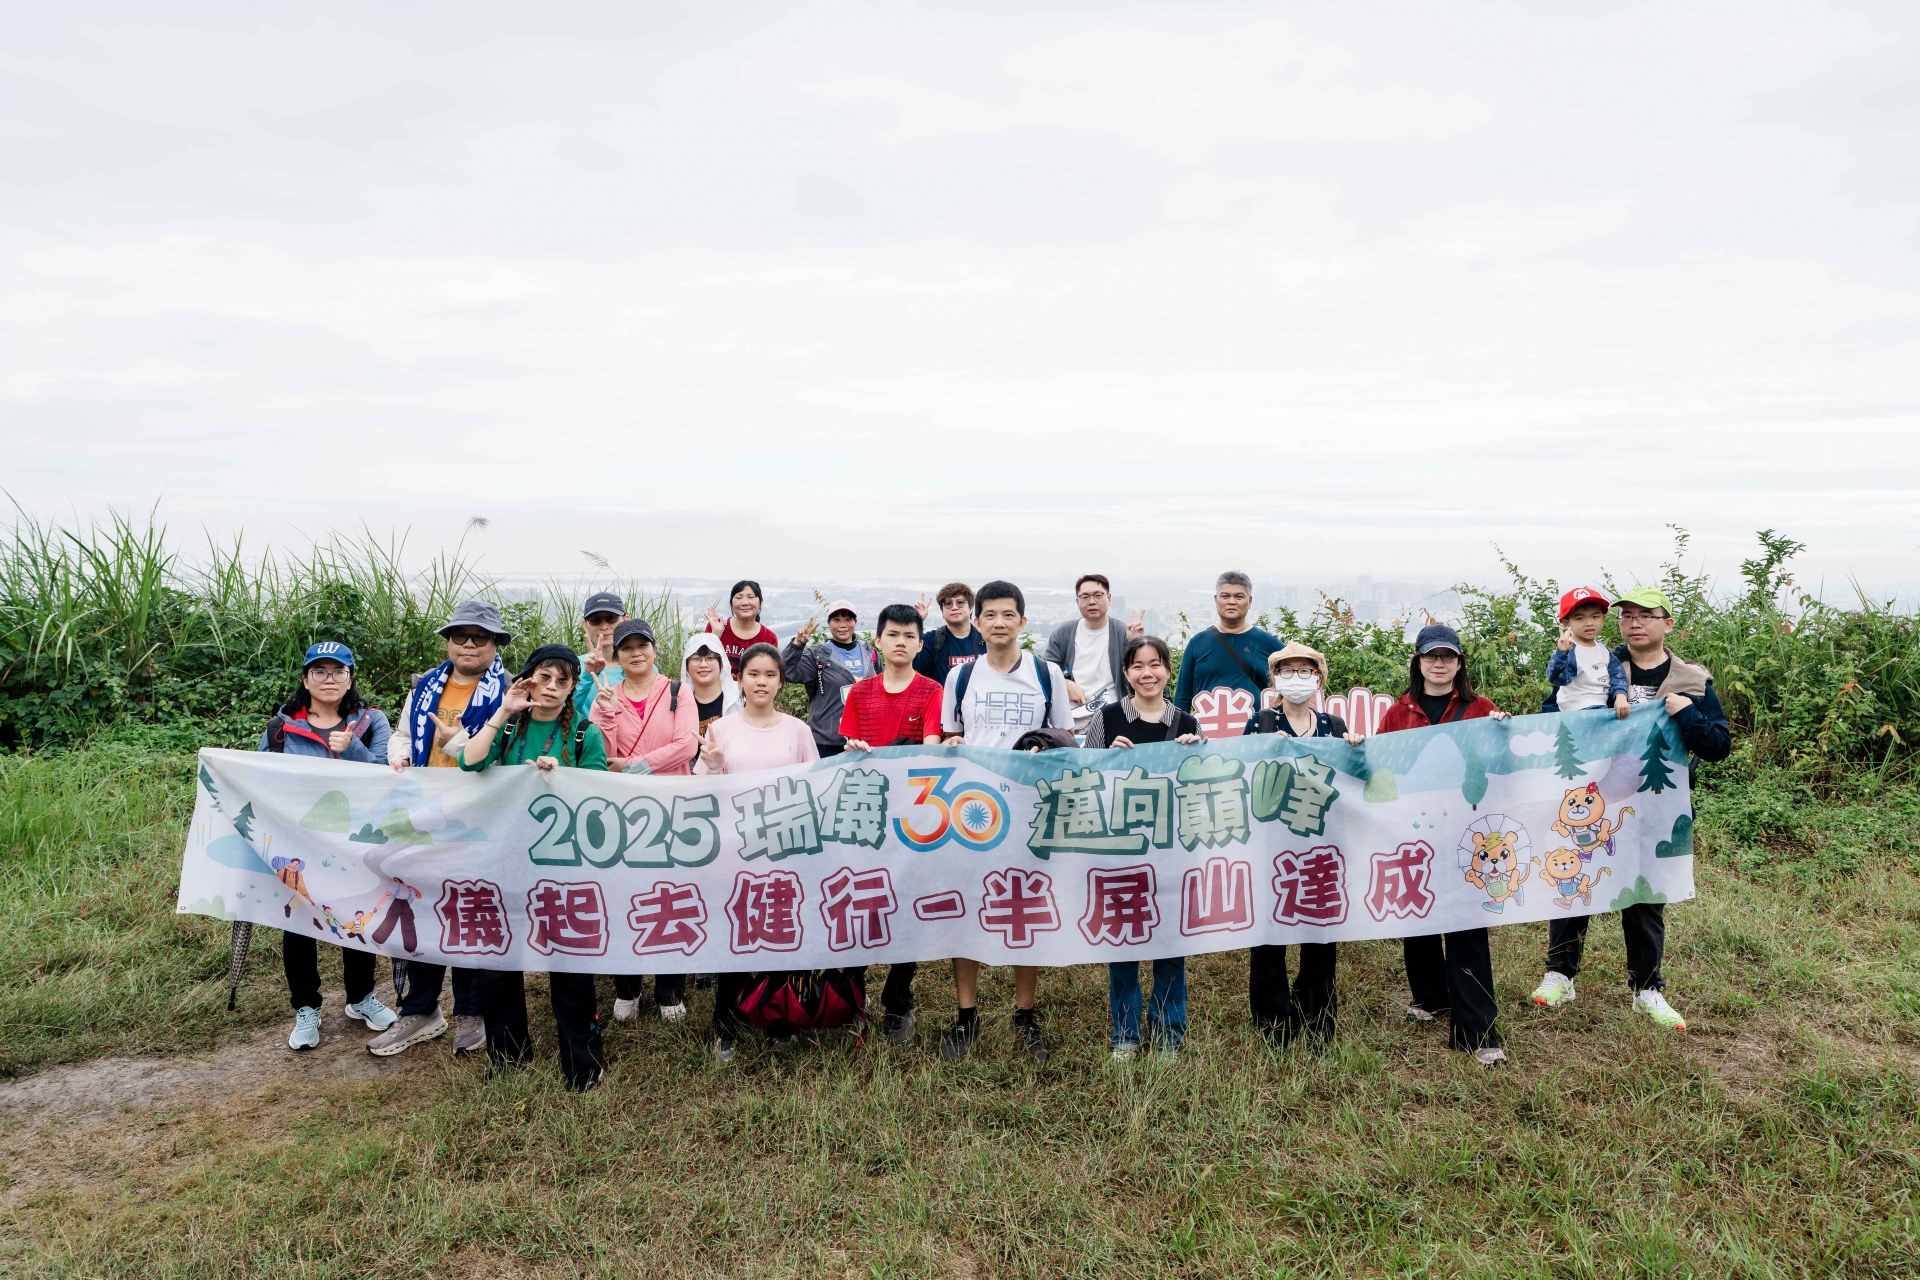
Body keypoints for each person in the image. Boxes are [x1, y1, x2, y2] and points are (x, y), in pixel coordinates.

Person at [1529, 585, 1730, 1031]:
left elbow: (1718, 746)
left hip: (1657, 805)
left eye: (1646, 615)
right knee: (1573, 879)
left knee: (1645, 896)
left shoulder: (1691, 681)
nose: (1634, 623)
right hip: (1591, 802)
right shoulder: (1597, 663)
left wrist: (1686, 713)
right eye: (1626, 615)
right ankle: (1560, 975)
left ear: (1667, 624)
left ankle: (1647, 989)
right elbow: (1552, 715)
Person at [458, 644, 612, 1091]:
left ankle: (582, 1061)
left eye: (563, 681)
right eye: (544, 677)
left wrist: (561, 775)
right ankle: (508, 1054)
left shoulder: (584, 734)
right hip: (506, 861)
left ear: (572, 687)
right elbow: (470, 761)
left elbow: (598, 795)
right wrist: (504, 710)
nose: (552, 688)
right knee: (499, 961)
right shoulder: (509, 727)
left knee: (570, 964)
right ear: (528, 679)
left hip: (563, 866)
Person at [938, 580, 1072, 1065]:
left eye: (1008, 614)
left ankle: (1025, 1013)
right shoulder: (961, 677)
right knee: (967, 908)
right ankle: (966, 1015)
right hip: (972, 811)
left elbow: (1065, 737)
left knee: (1026, 905)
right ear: (976, 622)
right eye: (989, 614)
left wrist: (1044, 753)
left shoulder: (1046, 673)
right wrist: (951, 747)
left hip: (1029, 807)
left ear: (1022, 621)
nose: (998, 623)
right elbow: (950, 736)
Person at [371, 600, 510, 1059]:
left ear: (495, 644)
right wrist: (400, 755)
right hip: (423, 813)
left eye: (480, 637)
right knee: (421, 905)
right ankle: (420, 1010)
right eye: (459, 635)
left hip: (477, 817)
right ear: (448, 641)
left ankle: (471, 1012)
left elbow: (503, 756)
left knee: (467, 908)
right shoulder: (426, 685)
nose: (469, 644)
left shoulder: (508, 691)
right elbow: (402, 734)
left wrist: (459, 743)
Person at [1377, 624, 1512, 1067]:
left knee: (1466, 926)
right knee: (1418, 915)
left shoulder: (1482, 710)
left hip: (1467, 835)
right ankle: (1430, 996)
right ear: (1417, 661)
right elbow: (1381, 768)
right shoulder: (1397, 713)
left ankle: (1477, 1029)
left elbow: (1502, 766)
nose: (1439, 664)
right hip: (1413, 832)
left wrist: (1504, 732)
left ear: (1459, 663)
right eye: (1431, 656)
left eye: (1448, 656)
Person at [258, 642, 398, 1050]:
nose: (329, 678)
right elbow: (260, 779)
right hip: (297, 841)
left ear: (350, 679)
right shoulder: (280, 727)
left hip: (354, 840)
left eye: (339, 671)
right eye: (319, 671)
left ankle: (361, 997)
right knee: (299, 922)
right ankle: (306, 1007)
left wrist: (351, 748)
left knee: (356, 914)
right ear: (306, 680)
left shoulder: (372, 721)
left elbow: (387, 775)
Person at [697, 643, 820, 1063]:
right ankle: (726, 1027)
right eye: (753, 674)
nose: (761, 682)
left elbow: (814, 788)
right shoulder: (721, 730)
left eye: (770, 674)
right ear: (739, 679)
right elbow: (700, 793)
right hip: (735, 853)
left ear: (781, 682)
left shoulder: (798, 731)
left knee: (780, 937)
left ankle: (779, 1022)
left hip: (785, 851)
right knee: (736, 939)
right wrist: (714, 766)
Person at [1082, 635, 1201, 1059]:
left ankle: (1169, 1032)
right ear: (1126, 672)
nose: (1147, 673)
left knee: (1171, 943)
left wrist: (1195, 755)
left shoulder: (1187, 724)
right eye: (1137, 666)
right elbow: (1084, 780)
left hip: (1172, 849)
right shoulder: (1107, 718)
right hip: (1122, 848)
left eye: (1155, 664)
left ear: (1168, 670)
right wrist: (1106, 760)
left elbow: (1200, 790)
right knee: (1124, 942)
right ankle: (1125, 1034)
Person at [1241, 643, 1364, 1047]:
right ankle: (1273, 1022)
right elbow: (1242, 778)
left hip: (1322, 847)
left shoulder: (1334, 726)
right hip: (1271, 847)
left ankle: (1316, 1018)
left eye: (1305, 670)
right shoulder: (1261, 722)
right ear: (1274, 679)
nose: (1296, 678)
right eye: (1287, 670)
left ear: (1319, 678)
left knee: (1320, 936)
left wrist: (1357, 751)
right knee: (1269, 934)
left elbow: (1356, 783)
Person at [838, 603, 946, 1044]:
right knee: (859, 903)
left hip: (913, 817)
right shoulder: (859, 693)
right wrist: (854, 752)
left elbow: (931, 751)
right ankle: (851, 998)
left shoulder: (932, 691)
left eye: (909, 636)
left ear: (920, 644)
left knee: (908, 907)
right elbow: (848, 749)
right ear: (878, 640)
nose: (901, 642)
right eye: (893, 634)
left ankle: (898, 1000)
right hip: (866, 814)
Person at [588, 618, 699, 1023]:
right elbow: (601, 755)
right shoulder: (606, 695)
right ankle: (627, 987)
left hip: (672, 809)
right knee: (624, 895)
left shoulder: (678, 691)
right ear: (616, 656)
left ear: (654, 650)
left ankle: (670, 990)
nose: (636, 653)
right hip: (623, 812)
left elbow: (686, 745)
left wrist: (633, 766)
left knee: (672, 896)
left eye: (642, 645)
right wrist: (606, 715)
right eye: (626, 647)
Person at [1172, 571, 1283, 738]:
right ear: (1216, 600)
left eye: (1239, 596)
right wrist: (1179, 735)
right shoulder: (1198, 643)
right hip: (1205, 738)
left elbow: (1302, 667)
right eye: (1225, 596)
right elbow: (1182, 697)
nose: (1231, 601)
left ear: (1249, 601)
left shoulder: (1268, 643)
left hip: (1256, 737)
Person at [1040, 574, 1144, 733]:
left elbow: (1139, 673)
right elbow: (1045, 671)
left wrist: (1134, 643)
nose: (1092, 601)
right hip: (1072, 721)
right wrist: (1065, 683)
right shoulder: (1063, 633)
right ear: (1077, 602)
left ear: (1109, 598)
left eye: (1098, 595)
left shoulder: (1123, 632)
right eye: (1085, 597)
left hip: (1114, 718)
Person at [782, 600, 877, 758]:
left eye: (848, 619)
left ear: (855, 622)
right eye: (836, 620)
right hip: (827, 739)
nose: (843, 625)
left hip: (865, 738)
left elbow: (881, 686)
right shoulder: (818, 654)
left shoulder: (869, 652)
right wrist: (797, 644)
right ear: (829, 623)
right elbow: (787, 672)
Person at [1547, 587, 1629, 719]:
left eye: (1595, 617)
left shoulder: (1603, 649)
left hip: (1600, 706)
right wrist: (1561, 653)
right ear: (1567, 623)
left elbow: (1617, 675)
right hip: (1577, 707)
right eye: (1580, 618)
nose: (1589, 623)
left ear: (1603, 618)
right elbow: (1558, 678)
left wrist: (1620, 697)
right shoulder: (1570, 649)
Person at [912, 582, 987, 682]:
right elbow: (909, 664)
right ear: (942, 612)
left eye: (960, 602)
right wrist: (916, 621)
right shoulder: (932, 640)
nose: (954, 607)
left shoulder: (986, 638)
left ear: (970, 607)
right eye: (948, 604)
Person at [705, 580, 778, 677]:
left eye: (750, 597)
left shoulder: (769, 637)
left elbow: (770, 673)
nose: (745, 603)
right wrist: (715, 634)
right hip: (717, 685)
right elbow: (703, 663)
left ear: (760, 603)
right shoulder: (716, 626)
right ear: (731, 604)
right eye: (739, 598)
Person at [573, 590, 628, 720]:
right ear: (585, 625)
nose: (604, 626)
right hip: (586, 733)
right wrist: (588, 676)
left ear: (625, 620)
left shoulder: (641, 665)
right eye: (595, 620)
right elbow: (562, 712)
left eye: (611, 618)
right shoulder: (573, 666)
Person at [681, 632, 741, 736]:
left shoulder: (739, 697)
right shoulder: (678, 703)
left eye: (710, 658)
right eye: (696, 659)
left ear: (721, 663)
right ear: (686, 666)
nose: (703, 665)